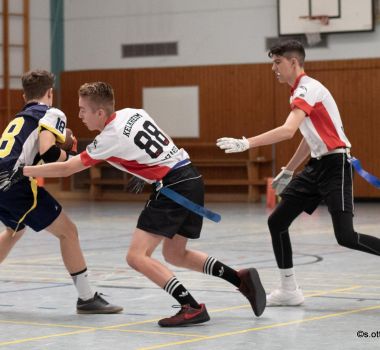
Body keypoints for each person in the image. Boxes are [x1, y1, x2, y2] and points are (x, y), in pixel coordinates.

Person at [19, 81, 266, 327]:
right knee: (175, 253)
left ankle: (190, 306)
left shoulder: (107, 138)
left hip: (173, 187)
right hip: (190, 176)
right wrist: (143, 172)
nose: (80, 115)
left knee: (136, 256)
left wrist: (24, 171)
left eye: (84, 109)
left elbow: (67, 168)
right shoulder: (133, 112)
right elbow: (156, 143)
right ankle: (239, 279)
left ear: (100, 113)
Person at [216, 39, 380, 306]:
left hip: (337, 166)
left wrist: (246, 142)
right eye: (272, 63)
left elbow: (287, 131)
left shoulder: (308, 88)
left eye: (277, 62)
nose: (274, 68)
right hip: (316, 166)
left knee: (346, 237)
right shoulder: (297, 94)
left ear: (293, 62)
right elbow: (307, 138)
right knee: (277, 222)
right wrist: (289, 170)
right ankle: (289, 289)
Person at [0, 70, 122, 314]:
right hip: (15, 183)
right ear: (50, 93)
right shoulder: (51, 112)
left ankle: (87, 298)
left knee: (15, 230)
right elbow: (48, 152)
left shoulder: (20, 118)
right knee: (69, 232)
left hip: (2, 180)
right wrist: (72, 155)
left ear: (24, 96)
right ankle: (87, 298)